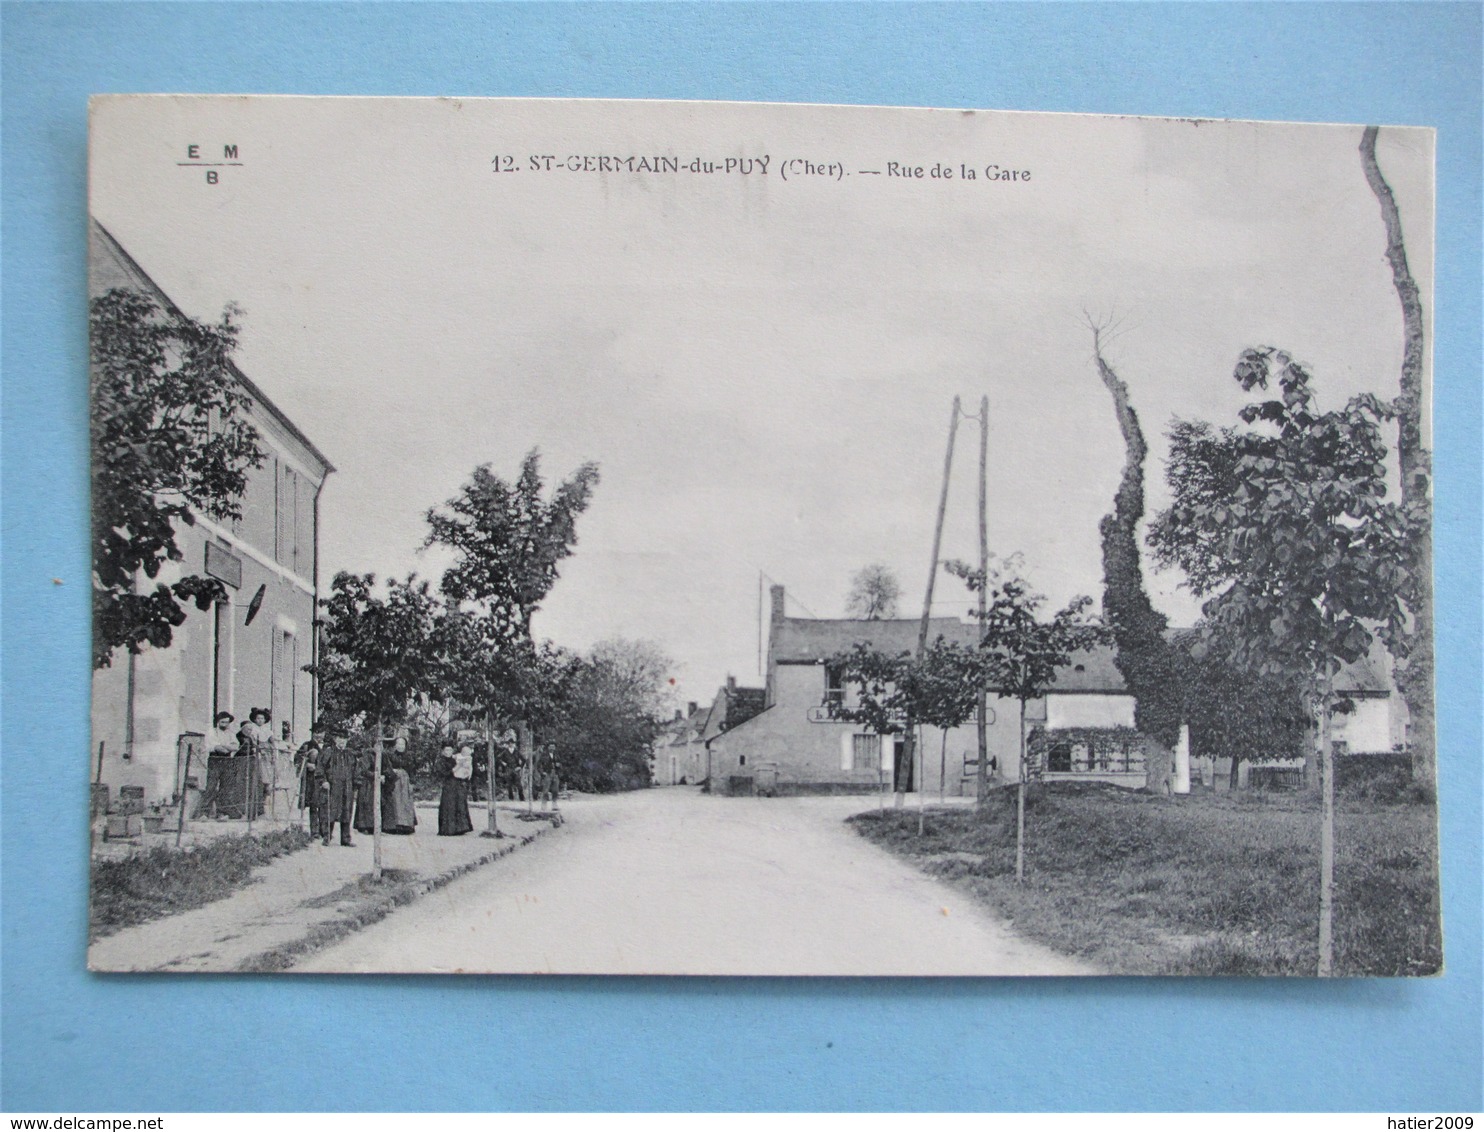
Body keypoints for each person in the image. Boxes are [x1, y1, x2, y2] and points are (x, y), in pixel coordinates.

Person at [319, 733, 357, 847]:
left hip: (347, 787)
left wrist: (355, 785)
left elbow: (355, 770)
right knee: (331, 811)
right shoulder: (329, 752)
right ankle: (327, 837)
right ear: (335, 739)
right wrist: (323, 781)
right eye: (340, 738)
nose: (342, 741)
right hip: (333, 786)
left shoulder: (350, 754)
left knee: (346, 812)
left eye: (344, 739)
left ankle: (345, 839)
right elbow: (320, 767)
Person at [294, 729, 328, 840]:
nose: (319, 735)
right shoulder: (306, 745)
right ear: (313, 733)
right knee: (314, 805)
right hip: (311, 779)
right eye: (317, 732)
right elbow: (297, 759)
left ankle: (325, 831)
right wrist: (307, 764)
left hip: (325, 778)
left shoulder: (328, 746)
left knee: (325, 804)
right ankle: (314, 831)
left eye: (321, 732)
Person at [381, 736, 418, 835]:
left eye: (402, 744)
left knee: (405, 802)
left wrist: (412, 783)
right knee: (395, 801)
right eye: (398, 744)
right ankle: (394, 825)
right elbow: (386, 768)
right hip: (394, 780)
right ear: (395, 745)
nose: (400, 746)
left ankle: (406, 825)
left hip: (405, 781)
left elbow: (413, 771)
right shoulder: (390, 755)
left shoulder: (410, 756)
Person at [438, 744, 474, 836]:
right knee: (449, 806)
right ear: (443, 751)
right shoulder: (441, 761)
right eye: (446, 750)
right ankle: (449, 829)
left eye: (450, 750)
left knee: (459, 805)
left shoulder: (454, 759)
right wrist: (456, 767)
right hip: (448, 785)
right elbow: (444, 773)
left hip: (458, 784)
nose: (448, 752)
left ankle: (460, 828)